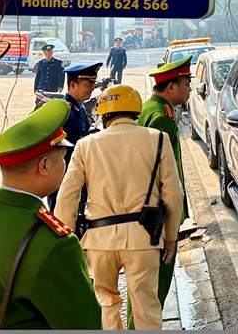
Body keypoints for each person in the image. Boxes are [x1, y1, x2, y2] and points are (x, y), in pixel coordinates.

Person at [0, 100, 102, 329]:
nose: (64, 165)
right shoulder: (55, 244)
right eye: (62, 158)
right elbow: (84, 324)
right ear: (44, 166)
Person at [56, 85, 184, 330]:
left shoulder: (86, 145)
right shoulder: (158, 139)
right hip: (144, 238)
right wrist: (170, 238)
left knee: (105, 303)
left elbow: (68, 197)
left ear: (104, 115)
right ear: (135, 111)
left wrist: (69, 241)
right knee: (146, 306)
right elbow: (173, 195)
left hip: (98, 240)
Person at [136, 55, 192, 316]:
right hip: (159, 216)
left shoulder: (153, 109)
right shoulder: (161, 118)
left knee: (143, 290)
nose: (190, 89)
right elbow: (161, 177)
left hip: (150, 214)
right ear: (172, 87)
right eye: (186, 84)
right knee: (154, 289)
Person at [47, 62, 102, 211]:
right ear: (73, 85)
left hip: (77, 175)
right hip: (64, 178)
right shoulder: (64, 111)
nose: (92, 88)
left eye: (93, 84)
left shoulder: (80, 106)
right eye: (88, 84)